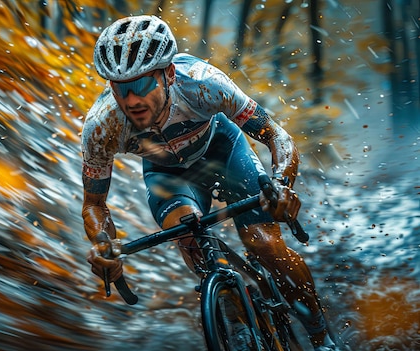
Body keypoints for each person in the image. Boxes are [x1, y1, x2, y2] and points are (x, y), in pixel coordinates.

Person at [81, 15, 338, 351]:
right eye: (120, 89)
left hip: (223, 150)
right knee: (189, 236)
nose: (131, 100)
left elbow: (276, 135)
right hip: (167, 174)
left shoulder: (203, 83)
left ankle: (320, 336)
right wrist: (103, 244)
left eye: (141, 85)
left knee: (263, 243)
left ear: (169, 74)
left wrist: (281, 184)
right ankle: (233, 317)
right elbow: (94, 205)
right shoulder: (102, 125)